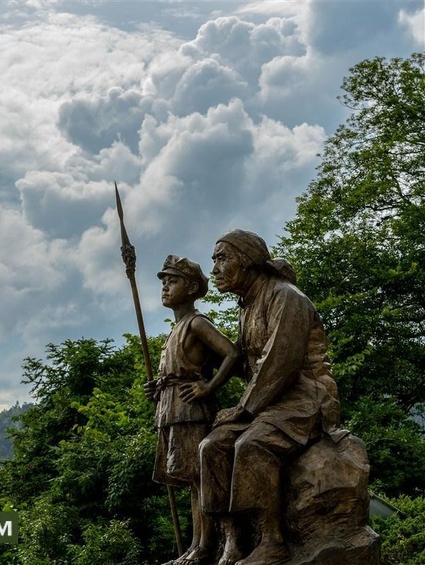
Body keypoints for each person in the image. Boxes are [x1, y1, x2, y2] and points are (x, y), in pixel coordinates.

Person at [199, 230, 341, 565]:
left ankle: (272, 541)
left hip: (306, 398)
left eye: (222, 258)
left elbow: (281, 362)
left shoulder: (286, 296)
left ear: (246, 261)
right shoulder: (247, 305)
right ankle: (233, 541)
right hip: (271, 403)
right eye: (213, 260)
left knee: (252, 445)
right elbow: (247, 363)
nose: (215, 268)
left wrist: (243, 409)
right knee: (212, 447)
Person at [144, 255, 240, 565]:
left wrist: (208, 387)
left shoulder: (197, 323)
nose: (165, 287)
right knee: (191, 481)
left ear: (192, 287)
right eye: (163, 281)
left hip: (192, 410)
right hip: (172, 409)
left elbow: (231, 354)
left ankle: (209, 546)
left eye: (172, 281)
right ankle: (198, 544)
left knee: (203, 480)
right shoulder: (175, 329)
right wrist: (158, 389)